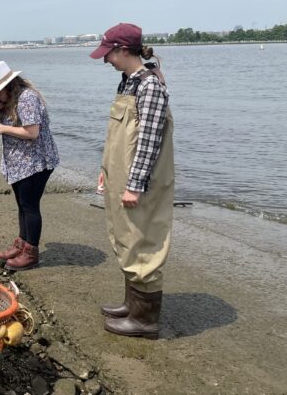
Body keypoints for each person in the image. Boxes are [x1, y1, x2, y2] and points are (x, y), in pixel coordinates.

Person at [90, 23, 174, 340]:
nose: (105, 60)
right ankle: (131, 304)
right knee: (125, 237)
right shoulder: (128, 83)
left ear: (124, 50)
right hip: (120, 174)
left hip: (141, 181)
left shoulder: (150, 86)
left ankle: (145, 319)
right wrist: (106, 169)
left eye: (108, 54)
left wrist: (135, 184)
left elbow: (149, 140)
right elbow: (119, 137)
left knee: (143, 240)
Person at [0, 61, 59, 270]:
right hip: (18, 162)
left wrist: (3, 128)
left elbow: (32, 132)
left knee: (30, 206)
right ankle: (22, 243)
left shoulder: (27, 98)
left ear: (9, 86)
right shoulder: (7, 100)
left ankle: (31, 253)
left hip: (36, 161)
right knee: (22, 205)